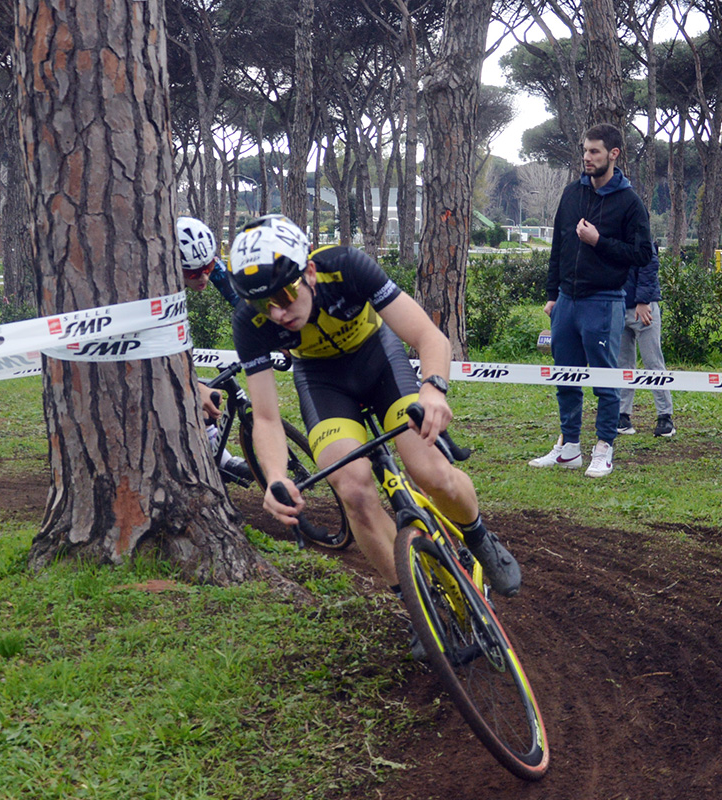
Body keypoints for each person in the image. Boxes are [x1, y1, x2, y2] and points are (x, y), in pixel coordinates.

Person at [228, 214, 521, 607]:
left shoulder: (346, 267)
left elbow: (427, 336)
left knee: (430, 471)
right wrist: (276, 475)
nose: (277, 313)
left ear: (310, 272)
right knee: (352, 488)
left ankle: (479, 535)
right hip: (323, 381)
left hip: (380, 362)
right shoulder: (250, 323)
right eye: (262, 303)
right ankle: (413, 600)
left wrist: (433, 388)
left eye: (283, 296)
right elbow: (264, 417)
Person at [528, 123, 652, 478]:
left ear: (613, 154)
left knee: (604, 380)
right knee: (565, 376)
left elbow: (643, 253)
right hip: (567, 301)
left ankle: (603, 448)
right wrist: (553, 295)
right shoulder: (571, 194)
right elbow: (559, 247)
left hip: (605, 300)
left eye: (594, 151)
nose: (587, 157)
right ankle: (568, 448)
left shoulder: (629, 202)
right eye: (585, 150)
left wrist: (599, 241)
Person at [176, 215, 251, 482]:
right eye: (194, 273)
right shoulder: (161, 283)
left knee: (209, 395)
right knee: (201, 396)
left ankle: (220, 459)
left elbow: (240, 300)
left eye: (208, 266)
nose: (204, 277)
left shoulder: (205, 264)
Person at [618, 243, 675, 437]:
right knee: (623, 364)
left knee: (653, 362)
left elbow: (649, 266)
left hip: (644, 308)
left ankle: (665, 416)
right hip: (617, 305)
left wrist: (642, 301)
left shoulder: (640, 231)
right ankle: (622, 415)